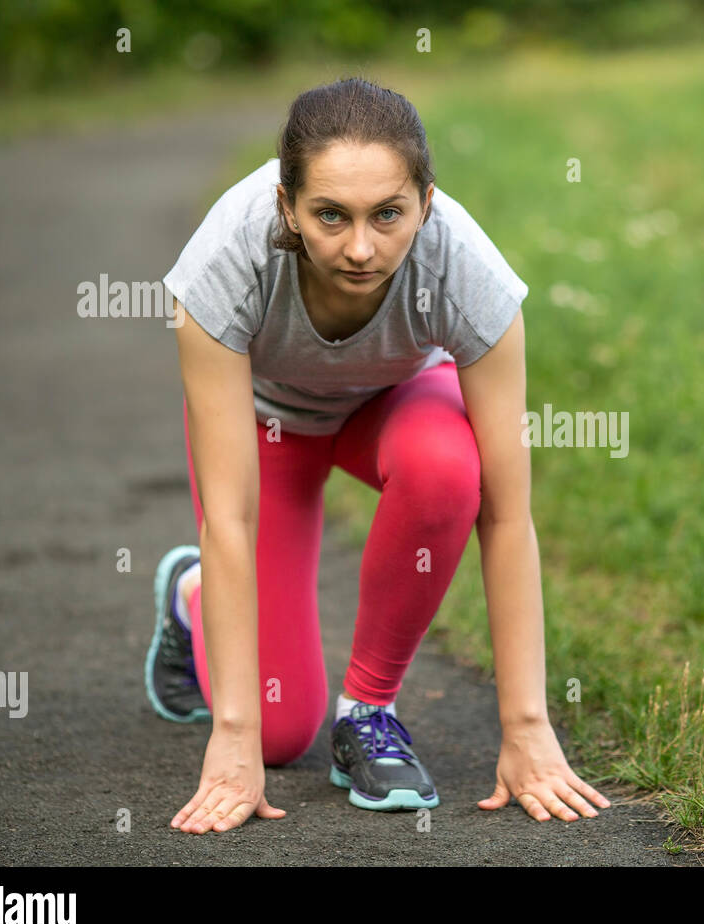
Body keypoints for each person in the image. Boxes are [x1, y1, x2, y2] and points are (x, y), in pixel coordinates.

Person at [147, 75, 611, 834]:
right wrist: (235, 739)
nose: (361, 248)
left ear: (426, 205)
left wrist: (527, 728)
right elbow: (228, 517)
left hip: (392, 406)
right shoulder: (223, 264)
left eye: (388, 215)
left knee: (450, 469)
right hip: (272, 429)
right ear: (287, 207)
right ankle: (192, 600)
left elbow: (507, 514)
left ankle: (369, 711)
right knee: (280, 731)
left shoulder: (467, 272)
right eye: (330, 216)